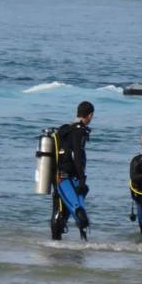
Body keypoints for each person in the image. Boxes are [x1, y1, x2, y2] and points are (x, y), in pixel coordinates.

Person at [50, 101, 94, 240]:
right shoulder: (79, 131)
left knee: (60, 210)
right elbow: (77, 155)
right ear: (90, 115)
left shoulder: (66, 128)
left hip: (58, 176)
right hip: (68, 177)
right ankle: (59, 243)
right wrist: (81, 179)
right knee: (77, 212)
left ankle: (55, 246)